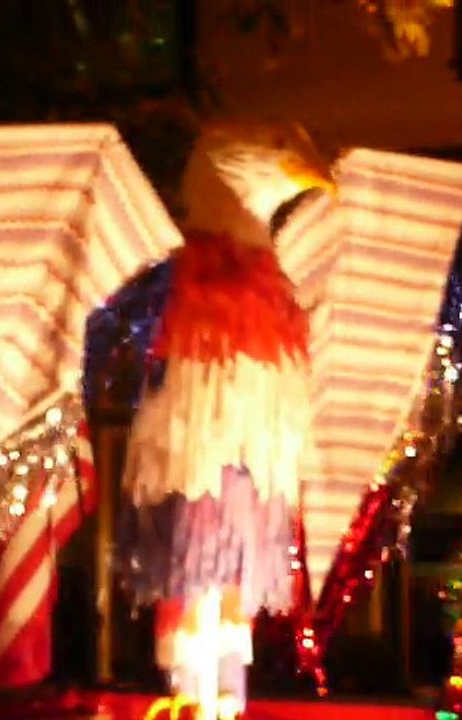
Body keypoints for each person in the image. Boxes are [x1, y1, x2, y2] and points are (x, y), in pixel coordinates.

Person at [118, 122, 333, 720]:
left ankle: (225, 698)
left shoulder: (273, 289)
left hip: (252, 460)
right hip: (189, 457)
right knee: (194, 558)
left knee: (234, 563)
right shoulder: (178, 283)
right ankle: (191, 692)